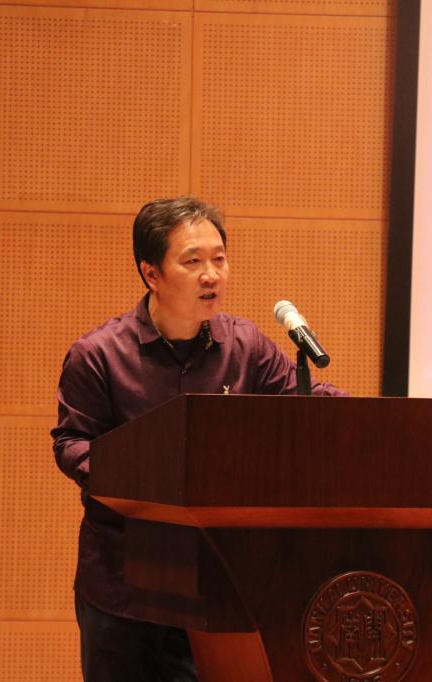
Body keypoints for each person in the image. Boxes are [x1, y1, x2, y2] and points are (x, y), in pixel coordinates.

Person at [51, 196, 344, 681]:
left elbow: (305, 399)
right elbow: (72, 444)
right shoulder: (98, 354)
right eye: (193, 262)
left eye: (219, 259)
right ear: (151, 273)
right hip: (124, 586)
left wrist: (366, 413)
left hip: (216, 586)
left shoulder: (246, 347)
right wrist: (142, 474)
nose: (212, 275)